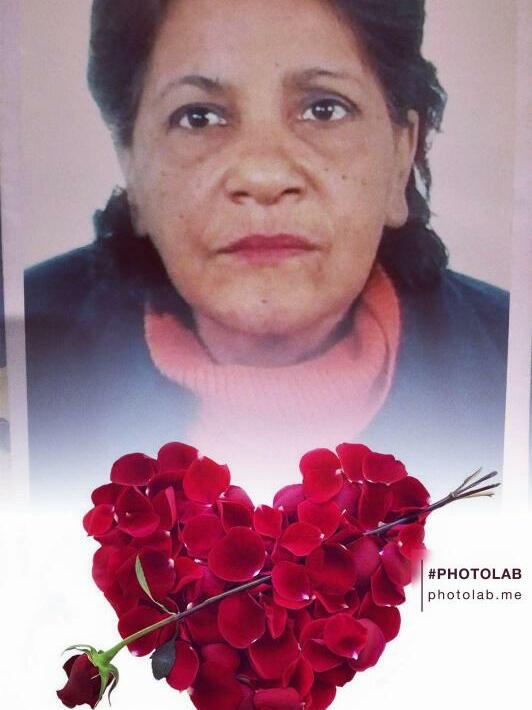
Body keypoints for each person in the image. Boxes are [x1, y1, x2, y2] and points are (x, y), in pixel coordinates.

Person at [25, 0, 508, 501]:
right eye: (198, 117)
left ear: (401, 157)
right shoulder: (24, 357)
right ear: (133, 166)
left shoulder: (513, 365)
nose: (263, 176)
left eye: (324, 109)